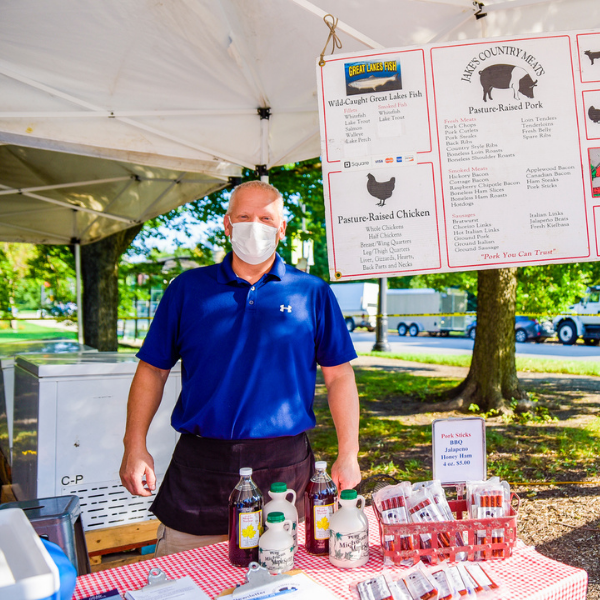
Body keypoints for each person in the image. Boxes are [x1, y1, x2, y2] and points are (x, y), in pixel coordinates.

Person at [119, 180, 361, 556]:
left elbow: (340, 376)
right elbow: (153, 370)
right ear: (227, 225)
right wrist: (134, 445)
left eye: (266, 218)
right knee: (185, 584)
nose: (255, 226)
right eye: (244, 217)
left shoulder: (311, 292)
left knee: (285, 582)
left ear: (282, 228)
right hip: (201, 470)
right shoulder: (187, 289)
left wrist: (349, 452)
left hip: (286, 469)